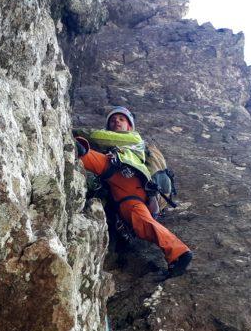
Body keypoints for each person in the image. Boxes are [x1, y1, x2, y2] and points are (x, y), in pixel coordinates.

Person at [75, 106, 193, 277]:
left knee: (91, 157)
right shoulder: (122, 142)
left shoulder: (133, 138)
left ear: (130, 127)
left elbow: (97, 136)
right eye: (113, 120)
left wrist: (71, 131)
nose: (117, 121)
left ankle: (78, 149)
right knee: (142, 222)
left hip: (125, 174)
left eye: (121, 119)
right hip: (131, 193)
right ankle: (179, 253)